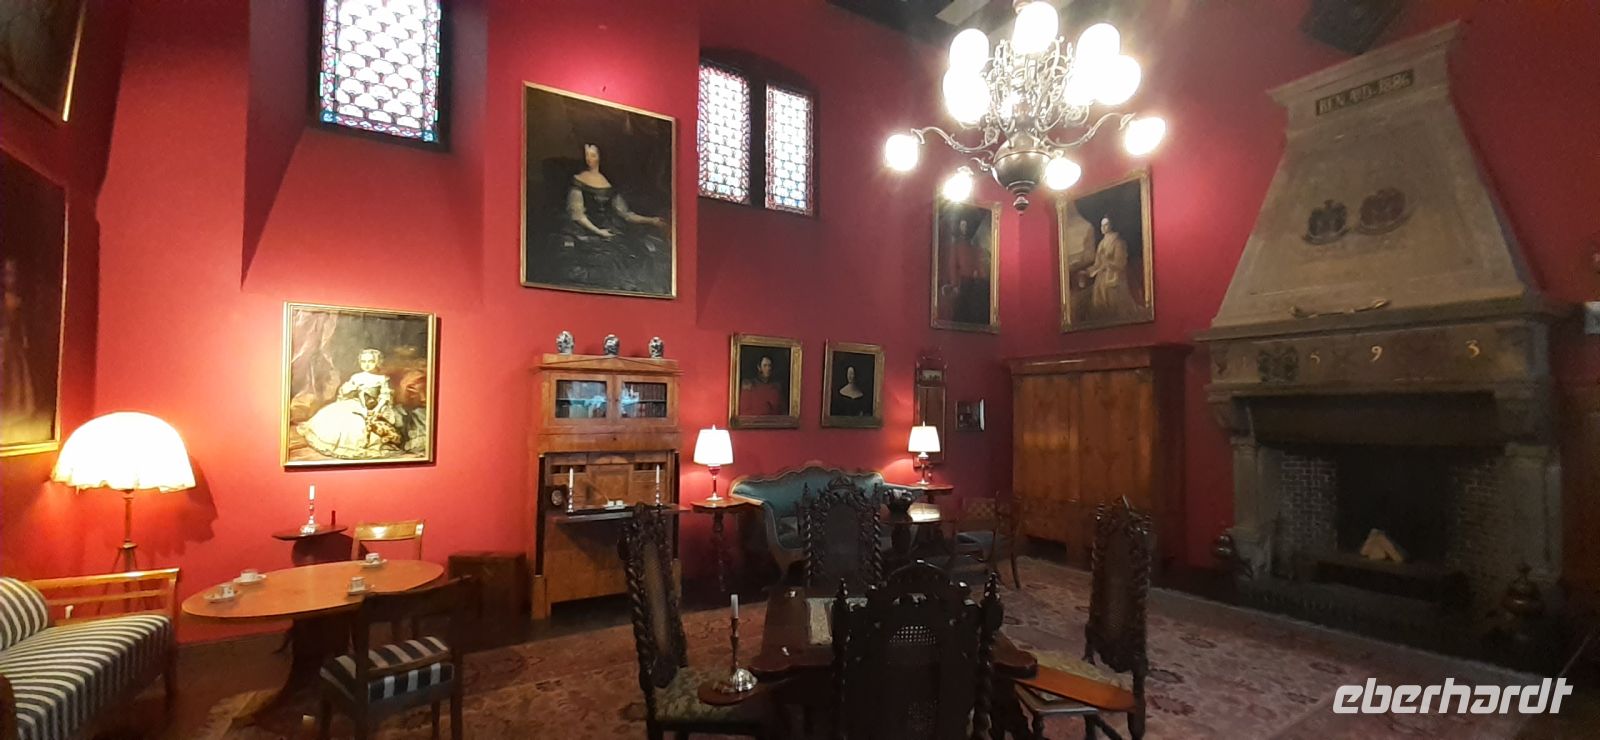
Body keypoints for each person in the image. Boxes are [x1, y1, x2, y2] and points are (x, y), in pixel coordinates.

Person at [553, 143, 669, 293]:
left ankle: (635, 292)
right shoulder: (578, 181)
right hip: (584, 231)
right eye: (586, 155)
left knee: (638, 250)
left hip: (608, 230)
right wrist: (599, 232)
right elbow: (578, 215)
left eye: (593, 155)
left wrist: (651, 220)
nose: (589, 159)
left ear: (600, 157)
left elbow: (626, 214)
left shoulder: (608, 183)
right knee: (612, 256)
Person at [298, 348, 406, 459]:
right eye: (363, 362)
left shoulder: (382, 379)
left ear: (377, 362)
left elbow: (385, 397)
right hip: (357, 404)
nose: (366, 365)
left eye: (370, 361)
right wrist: (350, 388)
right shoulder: (357, 377)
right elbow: (345, 392)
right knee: (341, 418)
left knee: (365, 425)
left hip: (375, 406)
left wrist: (377, 409)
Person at [1084, 216, 1141, 321]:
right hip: (1101, 279)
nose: (1103, 227)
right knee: (1099, 305)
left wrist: (1107, 264)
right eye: (1102, 225)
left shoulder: (1119, 242)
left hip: (1115, 278)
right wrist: (1089, 271)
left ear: (1111, 225)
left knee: (1116, 307)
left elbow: (1120, 263)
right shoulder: (1101, 244)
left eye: (1106, 225)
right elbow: (1098, 263)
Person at [939, 216, 991, 325]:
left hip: (974, 283)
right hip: (962, 282)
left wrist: (980, 276)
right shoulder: (956, 246)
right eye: (962, 225)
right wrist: (955, 284)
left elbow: (979, 266)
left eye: (966, 225)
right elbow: (953, 266)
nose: (965, 228)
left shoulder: (976, 247)